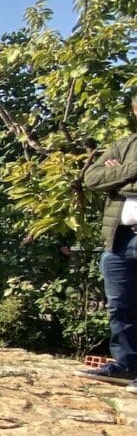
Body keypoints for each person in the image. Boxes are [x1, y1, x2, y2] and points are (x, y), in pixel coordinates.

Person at [79, 96, 137, 393]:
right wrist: (130, 169)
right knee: (120, 306)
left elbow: (107, 179)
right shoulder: (124, 144)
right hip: (121, 237)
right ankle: (125, 365)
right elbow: (92, 177)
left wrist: (118, 175)